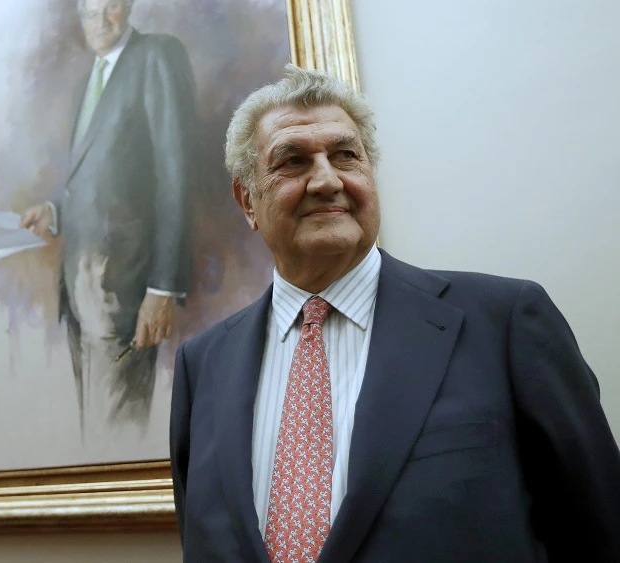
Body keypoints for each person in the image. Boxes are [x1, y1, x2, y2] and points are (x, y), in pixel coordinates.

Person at [169, 64, 620, 562]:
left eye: (345, 156)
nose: (325, 180)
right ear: (247, 200)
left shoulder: (505, 323)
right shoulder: (203, 365)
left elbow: (601, 532)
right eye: (293, 161)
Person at [20, 0, 198, 443]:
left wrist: (163, 288)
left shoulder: (157, 54)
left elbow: (177, 173)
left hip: (127, 285)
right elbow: (108, 180)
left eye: (110, 7)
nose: (99, 21)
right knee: (92, 426)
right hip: (77, 286)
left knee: (119, 430)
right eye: (88, 12)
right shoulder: (90, 79)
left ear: (129, 6)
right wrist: (56, 213)